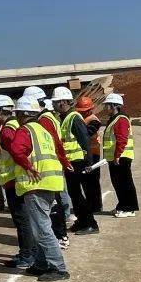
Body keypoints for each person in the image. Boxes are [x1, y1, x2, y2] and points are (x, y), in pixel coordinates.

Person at [11, 96, 70, 281]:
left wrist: (27, 167)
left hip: (36, 184)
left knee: (42, 228)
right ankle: (42, 263)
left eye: (18, 114)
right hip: (50, 183)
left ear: (22, 114)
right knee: (41, 226)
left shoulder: (25, 130)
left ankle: (58, 267)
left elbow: (16, 149)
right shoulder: (43, 130)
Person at [0, 94, 34, 269]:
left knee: (21, 219)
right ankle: (29, 252)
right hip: (17, 178)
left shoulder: (8, 130)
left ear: (1, 111)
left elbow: (17, 153)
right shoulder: (16, 125)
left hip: (14, 180)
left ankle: (27, 255)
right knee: (24, 218)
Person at [53, 87, 98, 234]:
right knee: (74, 194)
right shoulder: (65, 118)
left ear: (63, 102)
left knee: (78, 195)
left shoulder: (74, 118)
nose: (54, 105)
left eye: (56, 102)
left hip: (78, 161)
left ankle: (91, 224)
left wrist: (89, 162)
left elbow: (85, 140)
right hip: (71, 162)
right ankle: (82, 221)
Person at [103, 92, 139, 217]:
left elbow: (122, 138)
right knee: (118, 182)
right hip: (115, 157)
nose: (105, 107)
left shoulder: (121, 119)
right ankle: (122, 205)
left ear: (114, 105)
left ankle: (129, 208)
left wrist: (117, 154)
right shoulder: (113, 119)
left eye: (107, 105)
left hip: (122, 156)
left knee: (125, 182)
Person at [79, 97, 104, 213]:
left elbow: (87, 134)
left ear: (89, 110)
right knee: (86, 181)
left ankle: (96, 205)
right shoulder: (82, 119)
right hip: (85, 154)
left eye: (83, 110)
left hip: (93, 154)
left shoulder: (94, 120)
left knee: (93, 181)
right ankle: (90, 203)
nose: (81, 112)